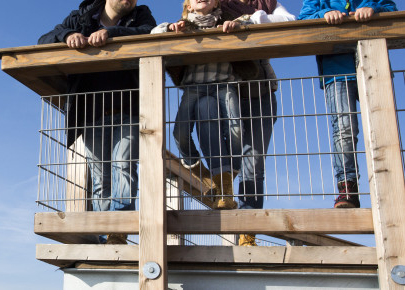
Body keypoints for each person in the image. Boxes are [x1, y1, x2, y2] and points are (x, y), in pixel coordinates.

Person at [38, 0, 157, 244]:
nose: (130, 0)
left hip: (131, 110)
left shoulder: (141, 14)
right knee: (100, 176)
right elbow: (44, 39)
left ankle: (118, 231)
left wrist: (111, 33)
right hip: (92, 114)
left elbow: (149, 33)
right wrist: (68, 34)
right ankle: (105, 234)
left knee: (123, 164)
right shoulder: (81, 18)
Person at [298, 0, 397, 208]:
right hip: (337, 70)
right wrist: (326, 13)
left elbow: (391, 9)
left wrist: (374, 10)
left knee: (383, 127)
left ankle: (391, 189)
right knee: (344, 129)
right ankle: (347, 188)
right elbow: (303, 18)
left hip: (374, 63)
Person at [153, 0, 248, 213]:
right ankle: (206, 175)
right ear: (188, 5)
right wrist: (169, 28)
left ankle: (224, 184)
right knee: (180, 133)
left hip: (224, 84)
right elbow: (154, 32)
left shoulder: (227, 21)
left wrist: (236, 27)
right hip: (194, 87)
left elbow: (248, 22)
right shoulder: (183, 25)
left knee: (235, 131)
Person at [219, 0, 295, 247]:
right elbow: (194, 17)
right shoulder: (218, 3)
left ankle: (247, 232)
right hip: (226, 91)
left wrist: (255, 17)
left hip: (261, 92)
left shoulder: (266, 2)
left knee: (254, 164)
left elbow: (289, 21)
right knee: (226, 157)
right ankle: (223, 198)